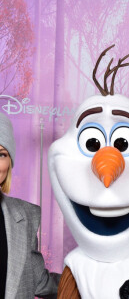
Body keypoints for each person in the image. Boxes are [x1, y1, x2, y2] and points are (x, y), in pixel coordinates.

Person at [0, 112, 60, 298]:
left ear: (9, 163)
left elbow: (39, 282)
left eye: (1, 154)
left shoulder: (24, 216)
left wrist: (94, 276)